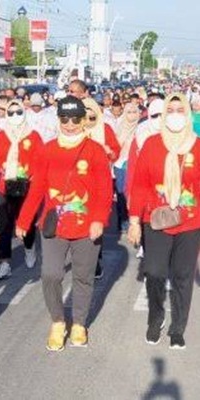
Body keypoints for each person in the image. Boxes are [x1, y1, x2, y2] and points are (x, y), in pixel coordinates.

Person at [15, 96, 113, 351]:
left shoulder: (95, 150)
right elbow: (37, 189)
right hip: (54, 225)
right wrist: (24, 219)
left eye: (75, 119)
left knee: (83, 276)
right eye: (64, 118)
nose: (70, 124)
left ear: (84, 121)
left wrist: (99, 220)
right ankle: (58, 321)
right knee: (51, 274)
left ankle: (79, 323)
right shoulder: (47, 149)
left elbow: (104, 189)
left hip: (86, 226)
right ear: (58, 119)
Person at [128, 93, 200, 350]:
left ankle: (178, 328)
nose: (176, 115)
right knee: (155, 272)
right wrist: (135, 220)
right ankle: (155, 317)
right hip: (156, 220)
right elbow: (139, 185)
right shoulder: (151, 144)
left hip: (190, 223)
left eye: (181, 110)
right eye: (171, 109)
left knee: (182, 276)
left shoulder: (197, 145)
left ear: (188, 114)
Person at [0, 100, 44, 280]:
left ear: (24, 113)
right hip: (3, 186)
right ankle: (5, 262)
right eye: (11, 113)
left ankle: (30, 249)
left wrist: (30, 173)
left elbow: (40, 161)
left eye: (18, 112)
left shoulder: (33, 136)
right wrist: (3, 168)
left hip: (26, 186)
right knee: (4, 225)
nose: (14, 116)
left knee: (26, 222)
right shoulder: (0, 136)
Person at [82, 98, 120, 279]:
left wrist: (107, 151)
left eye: (92, 111)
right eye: (85, 111)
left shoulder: (105, 129)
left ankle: (96, 260)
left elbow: (115, 151)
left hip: (100, 183)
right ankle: (82, 258)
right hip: (78, 185)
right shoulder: (74, 129)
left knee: (96, 220)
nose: (88, 116)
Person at [112, 103, 140, 232]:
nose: (132, 115)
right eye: (129, 112)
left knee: (135, 194)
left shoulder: (142, 128)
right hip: (120, 165)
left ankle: (134, 220)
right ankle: (122, 221)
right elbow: (114, 146)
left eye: (135, 112)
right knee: (121, 193)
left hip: (137, 165)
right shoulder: (119, 127)